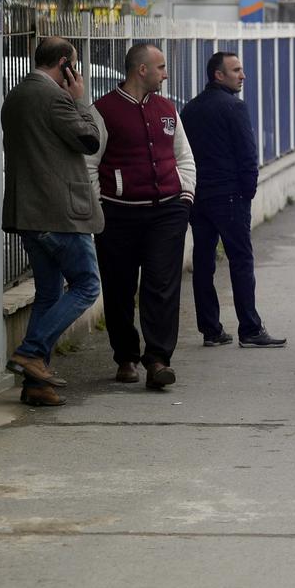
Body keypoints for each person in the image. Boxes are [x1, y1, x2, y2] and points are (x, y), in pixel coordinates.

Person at [1, 37, 104, 406]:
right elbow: (90, 141)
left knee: (47, 294)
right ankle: (30, 351)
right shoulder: (56, 98)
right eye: (74, 65)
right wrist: (81, 100)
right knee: (87, 286)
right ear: (65, 64)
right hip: (60, 213)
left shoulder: (15, 96)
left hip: (28, 214)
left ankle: (35, 386)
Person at [90, 43, 196, 390]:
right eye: (162, 67)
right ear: (142, 70)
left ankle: (158, 360)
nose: (166, 74)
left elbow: (184, 156)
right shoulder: (103, 110)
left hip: (166, 211)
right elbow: (88, 165)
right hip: (117, 215)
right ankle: (125, 356)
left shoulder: (167, 109)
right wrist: (99, 206)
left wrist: (185, 197)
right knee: (119, 288)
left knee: (162, 285)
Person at [181, 52, 286, 349]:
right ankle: (250, 329)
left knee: (203, 262)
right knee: (241, 260)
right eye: (236, 70)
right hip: (229, 196)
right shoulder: (234, 107)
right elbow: (247, 154)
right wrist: (248, 192)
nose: (243, 75)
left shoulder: (190, 109)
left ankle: (211, 330)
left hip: (199, 197)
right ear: (218, 75)